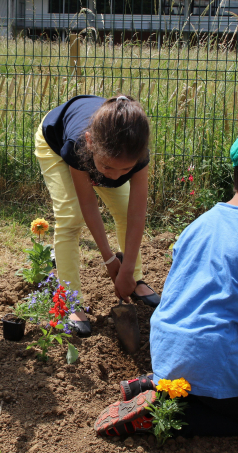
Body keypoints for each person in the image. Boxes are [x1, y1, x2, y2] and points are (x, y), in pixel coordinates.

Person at [94, 125, 238, 436]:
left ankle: (156, 384)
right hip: (210, 359)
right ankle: (156, 413)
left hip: (165, 348)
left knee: (198, 368)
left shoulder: (200, 223)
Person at [35, 95, 161, 335]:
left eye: (126, 169)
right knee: (70, 218)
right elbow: (88, 205)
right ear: (90, 142)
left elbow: (136, 214)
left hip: (105, 151)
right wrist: (109, 259)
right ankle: (69, 301)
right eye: (108, 168)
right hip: (55, 141)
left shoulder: (136, 151)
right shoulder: (78, 145)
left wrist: (126, 268)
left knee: (124, 210)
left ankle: (134, 280)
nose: (114, 177)